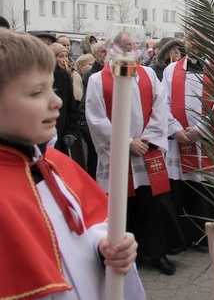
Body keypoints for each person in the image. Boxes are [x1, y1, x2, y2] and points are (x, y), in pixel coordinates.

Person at [0, 29, 144, 299]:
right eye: (35, 93)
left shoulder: (56, 165)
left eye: (52, 88)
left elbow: (84, 234)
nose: (56, 101)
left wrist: (107, 249)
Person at [86, 32, 186, 275]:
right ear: (113, 49)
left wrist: (147, 139)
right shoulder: (98, 80)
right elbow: (96, 119)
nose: (130, 50)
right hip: (118, 155)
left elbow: (160, 108)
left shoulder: (148, 74)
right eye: (124, 46)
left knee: (153, 204)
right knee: (124, 205)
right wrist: (126, 143)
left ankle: (157, 253)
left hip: (147, 151)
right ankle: (130, 256)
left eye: (133, 46)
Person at [163, 38, 214, 246]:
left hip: (208, 141)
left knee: (208, 189)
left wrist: (201, 130)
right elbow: (162, 103)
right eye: (191, 38)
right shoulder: (171, 70)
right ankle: (187, 236)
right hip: (179, 140)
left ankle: (209, 239)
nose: (195, 43)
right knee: (185, 188)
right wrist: (176, 129)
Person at [79, 41, 108, 179]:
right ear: (95, 55)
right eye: (103, 52)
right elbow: (86, 109)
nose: (106, 55)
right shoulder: (91, 76)